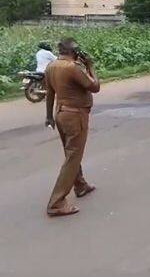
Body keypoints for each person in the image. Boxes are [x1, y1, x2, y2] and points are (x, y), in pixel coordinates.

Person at [44, 38, 100, 217]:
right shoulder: (72, 68)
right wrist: (90, 66)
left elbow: (50, 93)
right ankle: (56, 202)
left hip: (60, 114)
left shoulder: (51, 66)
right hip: (75, 116)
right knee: (73, 158)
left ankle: (80, 185)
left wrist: (48, 116)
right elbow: (95, 86)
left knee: (71, 153)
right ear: (74, 51)